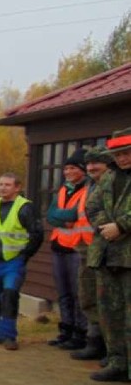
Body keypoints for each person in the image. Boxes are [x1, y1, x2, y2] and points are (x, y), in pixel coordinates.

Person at [0, 172, 43, 350]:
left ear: (17, 187)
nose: (2, 188)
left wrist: (24, 256)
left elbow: (37, 234)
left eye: (7, 185)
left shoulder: (25, 207)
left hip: (13, 261)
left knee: (10, 295)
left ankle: (9, 336)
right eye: (0, 184)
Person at [86, 128, 131, 383]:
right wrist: (106, 225)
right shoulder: (109, 177)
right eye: (118, 154)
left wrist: (122, 226)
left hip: (128, 255)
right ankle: (117, 361)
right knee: (109, 311)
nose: (122, 158)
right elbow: (92, 206)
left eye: (126, 153)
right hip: (106, 254)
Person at [45, 147, 91, 350]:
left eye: (72, 168)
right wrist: (63, 219)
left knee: (77, 293)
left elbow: (73, 215)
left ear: (82, 170)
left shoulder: (88, 190)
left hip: (77, 248)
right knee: (63, 292)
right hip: (59, 246)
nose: (67, 172)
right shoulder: (63, 189)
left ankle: (81, 333)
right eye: (66, 168)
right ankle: (66, 329)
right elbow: (51, 215)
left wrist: (62, 218)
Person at [70, 147, 113, 362]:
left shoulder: (115, 185)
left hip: (111, 252)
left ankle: (111, 349)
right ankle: (95, 342)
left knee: (108, 300)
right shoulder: (89, 186)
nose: (92, 167)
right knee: (87, 297)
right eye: (89, 165)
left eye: (97, 163)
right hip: (87, 250)